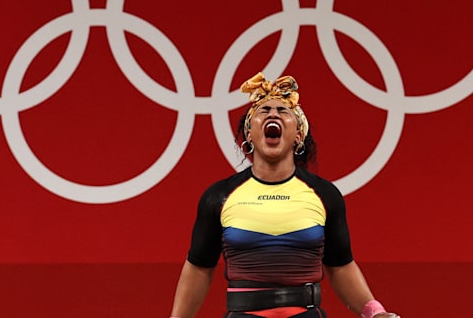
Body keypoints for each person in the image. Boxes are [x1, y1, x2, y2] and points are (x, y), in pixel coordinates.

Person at [169, 73, 399, 318]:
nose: (273, 114)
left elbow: (341, 267)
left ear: (298, 135)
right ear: (249, 133)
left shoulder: (324, 195)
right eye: (264, 110)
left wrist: (375, 312)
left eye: (283, 111)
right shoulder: (219, 197)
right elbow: (199, 269)